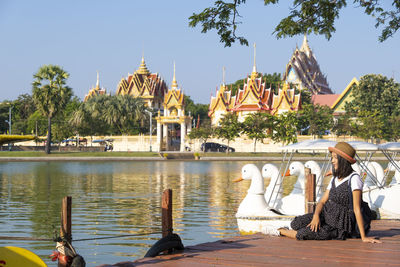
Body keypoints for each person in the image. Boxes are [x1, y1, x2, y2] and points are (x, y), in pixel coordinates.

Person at [278, 142, 381, 243]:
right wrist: (316, 216)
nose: (332, 161)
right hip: (325, 215)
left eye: (335, 158)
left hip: (338, 225)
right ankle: (296, 228)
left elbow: (357, 208)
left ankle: (281, 231)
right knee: (296, 223)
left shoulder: (354, 179)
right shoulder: (335, 178)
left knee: (302, 234)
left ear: (343, 160)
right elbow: (322, 201)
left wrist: (363, 237)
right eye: (332, 158)